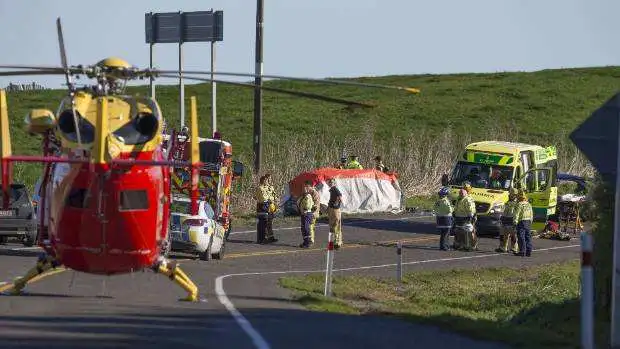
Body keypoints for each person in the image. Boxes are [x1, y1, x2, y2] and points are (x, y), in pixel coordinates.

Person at [255, 174, 278, 244]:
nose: (269, 180)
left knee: (269, 222)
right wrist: (269, 200)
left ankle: (269, 237)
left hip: (270, 206)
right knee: (263, 223)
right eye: (268, 179)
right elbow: (263, 198)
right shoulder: (260, 188)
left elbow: (273, 196)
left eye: (269, 179)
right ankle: (261, 239)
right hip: (263, 206)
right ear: (264, 180)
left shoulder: (271, 187)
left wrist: (275, 200)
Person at [495, 188, 519, 253]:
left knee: (513, 235)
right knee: (502, 235)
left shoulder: (517, 204)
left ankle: (514, 248)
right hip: (505, 219)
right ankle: (502, 247)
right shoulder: (507, 202)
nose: (510, 195)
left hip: (512, 220)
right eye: (510, 194)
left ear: (516, 195)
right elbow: (503, 211)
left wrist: (516, 221)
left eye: (512, 194)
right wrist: (501, 218)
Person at [513, 190, 533, 257]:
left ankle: (522, 252)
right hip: (528, 221)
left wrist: (515, 222)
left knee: (521, 237)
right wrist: (531, 221)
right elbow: (531, 214)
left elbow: (516, 214)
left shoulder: (519, 204)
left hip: (521, 222)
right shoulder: (528, 204)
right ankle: (529, 251)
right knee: (528, 237)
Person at [433, 186, 453, 251]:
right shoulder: (446, 201)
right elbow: (450, 210)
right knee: (446, 233)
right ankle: (444, 246)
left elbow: (434, 209)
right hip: (446, 218)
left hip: (439, 218)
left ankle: (444, 245)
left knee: (443, 233)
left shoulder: (438, 201)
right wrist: (453, 208)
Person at [327, 178, 343, 249]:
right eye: (329, 182)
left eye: (332, 182)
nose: (330, 183)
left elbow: (340, 196)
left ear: (334, 183)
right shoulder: (331, 190)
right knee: (332, 225)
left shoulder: (335, 189)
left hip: (335, 209)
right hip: (331, 208)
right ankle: (333, 241)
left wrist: (337, 203)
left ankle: (338, 242)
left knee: (336, 225)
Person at [304, 180, 321, 245]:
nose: (306, 188)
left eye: (307, 186)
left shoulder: (315, 193)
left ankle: (311, 239)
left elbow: (316, 204)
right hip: (308, 212)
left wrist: (312, 210)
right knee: (310, 226)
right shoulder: (308, 193)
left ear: (311, 186)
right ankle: (311, 239)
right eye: (305, 186)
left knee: (310, 226)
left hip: (313, 212)